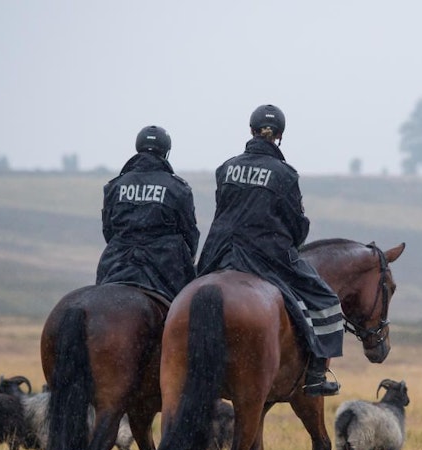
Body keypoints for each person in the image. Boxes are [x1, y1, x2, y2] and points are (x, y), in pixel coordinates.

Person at [196, 104, 344, 397]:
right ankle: (316, 374)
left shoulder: (225, 168)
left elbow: (223, 209)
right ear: (279, 135)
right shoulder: (284, 174)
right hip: (266, 254)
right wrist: (294, 239)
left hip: (219, 251)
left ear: (251, 130)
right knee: (325, 298)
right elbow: (295, 222)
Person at [96, 125, 200, 304]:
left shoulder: (115, 186)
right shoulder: (178, 188)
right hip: (165, 263)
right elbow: (189, 232)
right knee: (186, 308)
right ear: (165, 151)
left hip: (117, 261)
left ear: (138, 147)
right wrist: (189, 257)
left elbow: (108, 231)